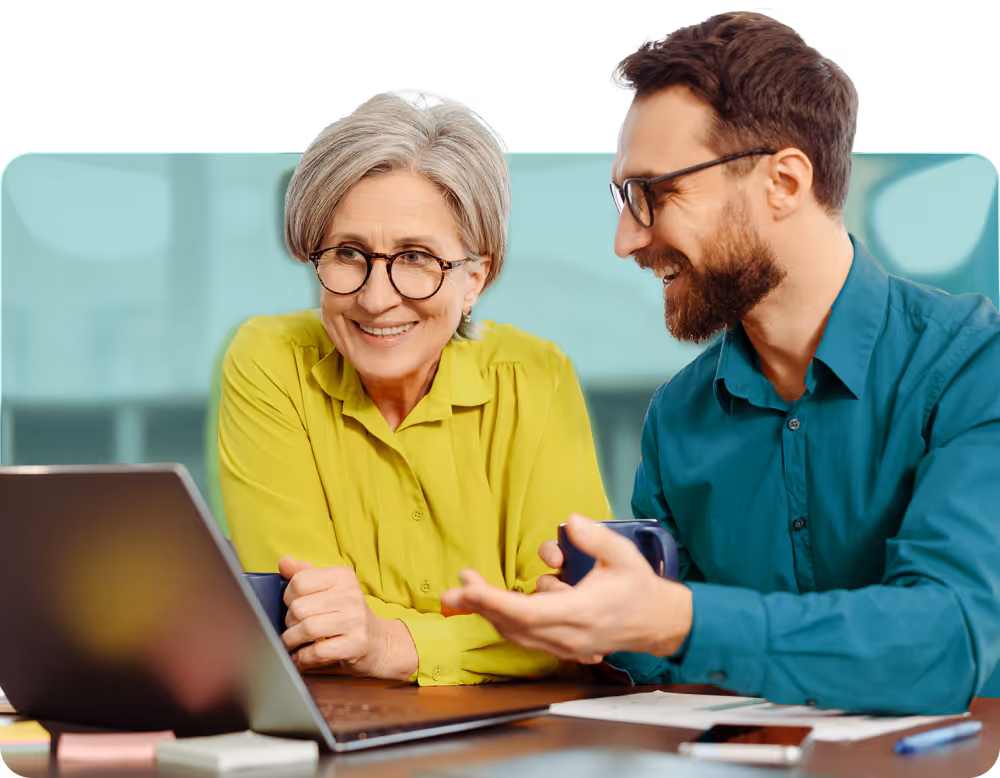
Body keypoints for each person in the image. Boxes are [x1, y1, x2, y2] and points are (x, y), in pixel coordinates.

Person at [441, 11, 1000, 714]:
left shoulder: (972, 365)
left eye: (654, 195)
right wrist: (602, 623)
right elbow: (665, 656)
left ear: (785, 183)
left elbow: (950, 639)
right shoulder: (679, 416)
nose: (625, 240)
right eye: (623, 199)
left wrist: (677, 619)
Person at [218, 89, 613, 685]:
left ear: (475, 279)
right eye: (348, 253)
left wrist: (390, 643)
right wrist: (503, 634)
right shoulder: (271, 361)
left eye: (416, 257)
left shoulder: (537, 376)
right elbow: (316, 625)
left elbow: (576, 626)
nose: (377, 299)